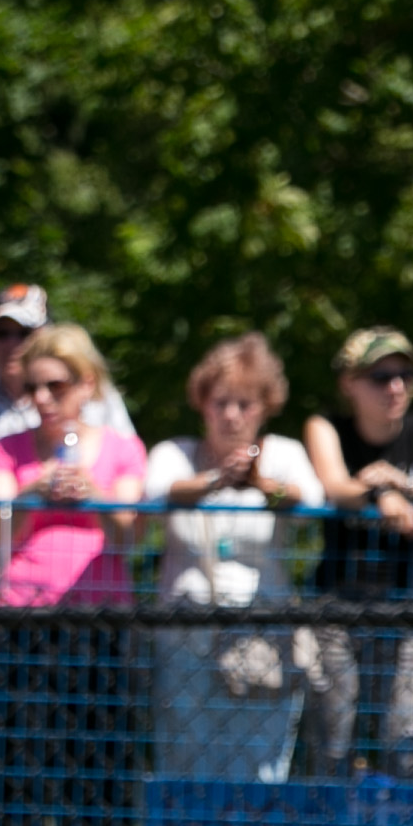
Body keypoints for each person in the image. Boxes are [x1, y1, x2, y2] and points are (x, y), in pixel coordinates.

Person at [0, 321, 151, 826]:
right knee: (22, 755)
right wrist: (31, 496)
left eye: (55, 386)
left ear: (86, 385)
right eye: (33, 388)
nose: (42, 400)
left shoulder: (124, 451)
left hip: (99, 622)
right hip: (24, 621)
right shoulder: (7, 451)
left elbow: (132, 538)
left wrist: (94, 499)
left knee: (97, 757)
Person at [144, 333, 325, 785]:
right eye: (220, 402)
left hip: (262, 634)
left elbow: (312, 504)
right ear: (201, 403)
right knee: (184, 756)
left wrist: (263, 485)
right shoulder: (176, 454)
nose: (231, 415)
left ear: (265, 406)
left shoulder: (285, 454)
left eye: (244, 404)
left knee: (260, 763)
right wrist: (213, 481)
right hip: (185, 632)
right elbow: (154, 494)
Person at [302, 328, 413, 779]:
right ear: (349, 383)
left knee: (405, 740)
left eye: (405, 375)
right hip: (337, 607)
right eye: (380, 376)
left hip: (405, 609)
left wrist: (404, 483)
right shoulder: (327, 426)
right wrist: (379, 495)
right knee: (333, 741)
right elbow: (337, 486)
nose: (396, 387)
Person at [0, 283, 135, 494]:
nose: (13, 343)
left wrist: (88, 490)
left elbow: (130, 476)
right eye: (2, 333)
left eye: (24, 333)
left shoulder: (100, 397)